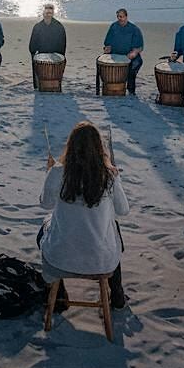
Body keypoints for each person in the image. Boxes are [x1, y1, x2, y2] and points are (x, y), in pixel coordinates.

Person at [38, 121, 128, 309]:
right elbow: (123, 210)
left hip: (59, 259)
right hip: (102, 263)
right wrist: (113, 172)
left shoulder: (58, 172)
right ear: (99, 147)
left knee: (43, 231)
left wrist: (49, 174)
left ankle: (58, 294)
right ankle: (117, 292)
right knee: (113, 229)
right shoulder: (108, 175)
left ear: (71, 146)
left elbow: (45, 204)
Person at [102, 9, 144, 95]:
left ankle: (131, 90)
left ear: (126, 17)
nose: (120, 18)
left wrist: (134, 52)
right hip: (115, 55)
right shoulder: (114, 26)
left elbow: (140, 47)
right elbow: (107, 42)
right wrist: (107, 48)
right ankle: (110, 87)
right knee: (103, 64)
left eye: (122, 16)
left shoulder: (134, 29)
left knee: (134, 66)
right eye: (118, 17)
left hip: (129, 56)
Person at [28, 3, 67, 89]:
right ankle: (38, 84)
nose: (48, 14)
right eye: (47, 13)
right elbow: (32, 46)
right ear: (43, 14)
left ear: (53, 14)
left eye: (50, 13)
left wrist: (59, 58)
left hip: (55, 56)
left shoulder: (59, 27)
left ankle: (53, 82)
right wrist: (35, 54)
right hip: (42, 55)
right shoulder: (37, 27)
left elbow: (62, 45)